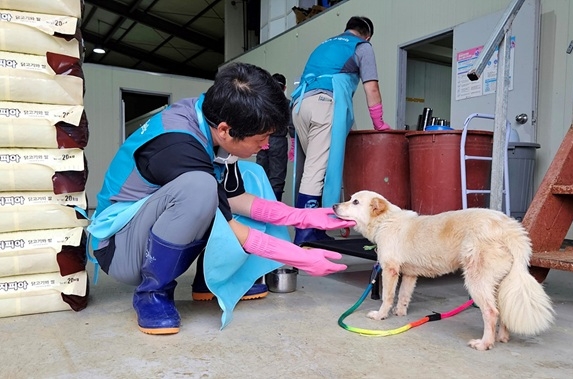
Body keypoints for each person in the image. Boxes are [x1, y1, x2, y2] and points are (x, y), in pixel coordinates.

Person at [87, 62, 355, 335]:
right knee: (201, 187)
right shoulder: (179, 144)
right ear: (226, 130)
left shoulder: (209, 119)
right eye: (261, 138)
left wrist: (303, 216)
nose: (265, 146)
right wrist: (300, 257)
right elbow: (230, 227)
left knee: (249, 173)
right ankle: (152, 293)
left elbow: (235, 199)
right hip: (120, 248)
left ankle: (209, 279)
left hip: (147, 227)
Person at [290, 16, 391, 246]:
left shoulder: (326, 44)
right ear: (367, 35)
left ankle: (318, 227)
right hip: (324, 104)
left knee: (316, 168)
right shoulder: (362, 46)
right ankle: (305, 233)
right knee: (316, 171)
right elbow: (371, 87)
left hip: (299, 106)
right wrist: (379, 123)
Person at [255, 73, 292, 201]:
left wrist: (261, 137)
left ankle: (259, 210)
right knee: (277, 178)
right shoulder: (287, 104)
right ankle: (274, 210)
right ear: (285, 88)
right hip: (279, 141)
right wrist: (293, 143)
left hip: (260, 140)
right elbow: (291, 125)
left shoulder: (262, 102)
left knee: (260, 175)